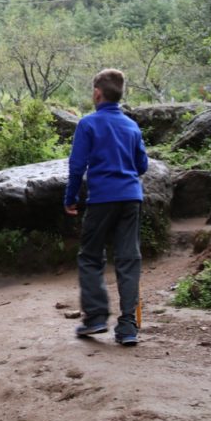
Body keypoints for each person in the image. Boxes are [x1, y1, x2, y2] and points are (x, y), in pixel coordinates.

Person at [64, 69, 149, 346]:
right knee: (128, 258)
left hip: (102, 199)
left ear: (97, 93)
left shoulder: (88, 124)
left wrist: (71, 197)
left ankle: (96, 317)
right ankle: (127, 327)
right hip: (131, 198)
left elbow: (77, 166)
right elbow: (142, 166)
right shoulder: (131, 126)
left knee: (90, 256)